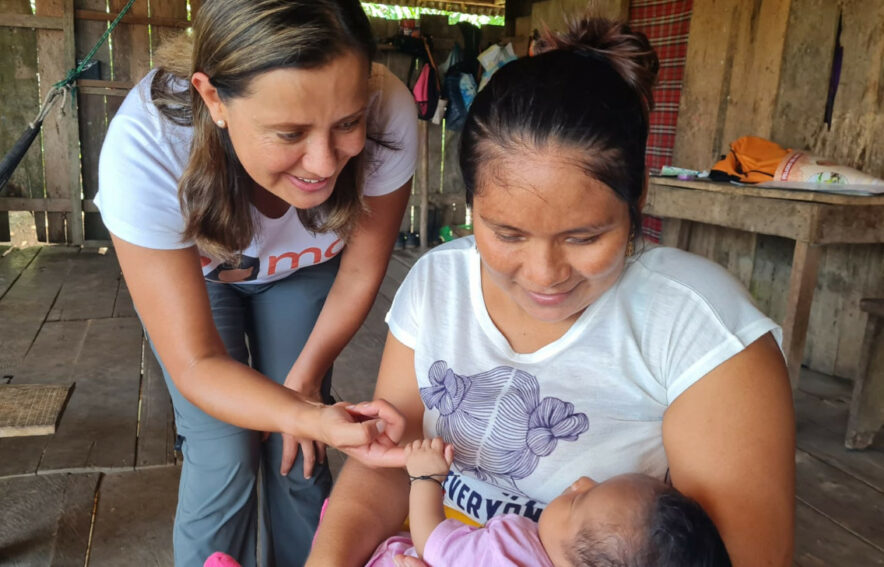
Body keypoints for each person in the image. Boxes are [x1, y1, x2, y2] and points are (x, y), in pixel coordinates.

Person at [308, 17, 795, 567]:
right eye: (506, 234)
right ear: (471, 205)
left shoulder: (699, 328)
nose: (543, 275)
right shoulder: (438, 283)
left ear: (638, 200)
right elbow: (390, 464)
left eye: (584, 236)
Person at [94, 2, 417, 566]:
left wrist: (306, 397)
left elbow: (363, 269)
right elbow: (196, 362)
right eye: (289, 133)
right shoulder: (146, 144)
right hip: (200, 278)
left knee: (301, 451)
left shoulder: (387, 106)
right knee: (224, 454)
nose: (322, 162)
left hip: (307, 269)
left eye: (346, 123)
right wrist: (300, 411)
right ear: (213, 98)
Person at [366, 437, 731, 567]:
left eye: (579, 500)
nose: (580, 482)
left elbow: (432, 543)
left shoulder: (509, 549)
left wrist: (426, 477)